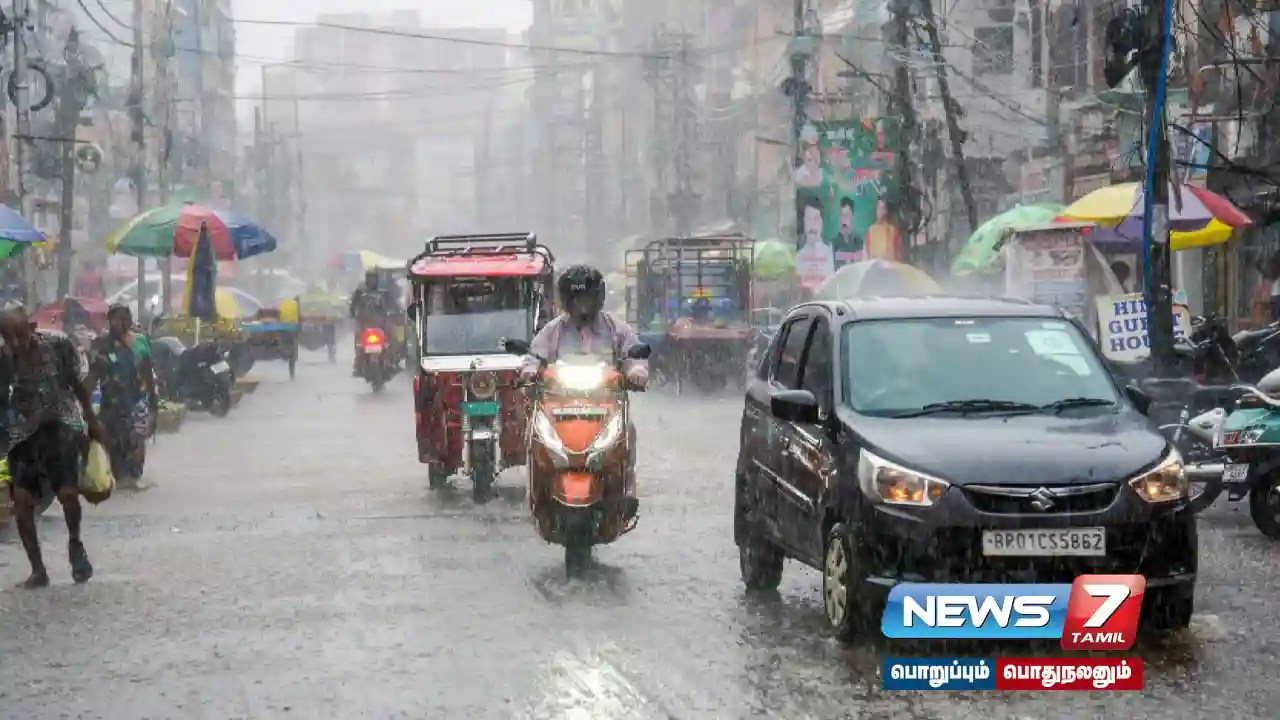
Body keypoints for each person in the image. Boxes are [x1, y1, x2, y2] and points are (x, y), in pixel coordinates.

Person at [520, 265, 647, 519]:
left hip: (606, 402)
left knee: (627, 434)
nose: (582, 306)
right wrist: (530, 369)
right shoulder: (553, 330)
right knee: (534, 433)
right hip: (560, 403)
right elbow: (534, 355)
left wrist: (636, 371)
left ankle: (627, 491)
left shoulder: (616, 329)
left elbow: (633, 354)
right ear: (567, 300)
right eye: (577, 299)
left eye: (587, 298)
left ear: (598, 298)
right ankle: (537, 491)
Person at [0, 308, 105, 588]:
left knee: (68, 495)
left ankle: (75, 543)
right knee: (21, 504)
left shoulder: (57, 346)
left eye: (19, 335)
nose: (15, 343)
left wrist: (91, 421)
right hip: (22, 435)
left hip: (61, 426)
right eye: (7, 338)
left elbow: (78, 385)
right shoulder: (3, 361)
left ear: (30, 328)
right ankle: (38, 570)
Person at [86, 305, 155, 488]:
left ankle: (132, 481)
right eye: (116, 319)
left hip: (138, 406)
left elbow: (148, 376)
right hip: (112, 408)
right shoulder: (101, 346)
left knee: (135, 457)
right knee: (115, 456)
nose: (121, 324)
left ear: (131, 321)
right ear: (109, 322)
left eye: (125, 319)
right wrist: (85, 410)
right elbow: (92, 378)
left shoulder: (140, 343)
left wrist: (153, 410)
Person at [349, 270, 402, 375]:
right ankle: (358, 362)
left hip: (382, 323)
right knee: (359, 341)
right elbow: (352, 307)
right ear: (366, 279)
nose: (371, 281)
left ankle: (394, 359)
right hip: (365, 324)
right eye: (369, 278)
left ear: (377, 279)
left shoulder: (384, 293)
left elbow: (394, 306)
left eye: (373, 278)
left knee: (394, 336)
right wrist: (353, 314)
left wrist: (395, 313)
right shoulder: (360, 293)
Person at [795, 197, 835, 289]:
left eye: (816, 219)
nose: (812, 224)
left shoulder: (831, 253)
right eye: (808, 219)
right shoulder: (798, 257)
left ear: (822, 222)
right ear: (803, 222)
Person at [831, 197, 864, 266]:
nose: (844, 220)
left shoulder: (859, 242)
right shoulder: (834, 243)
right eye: (842, 215)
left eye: (847, 215)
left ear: (852, 217)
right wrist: (853, 257)